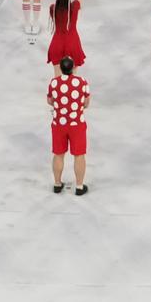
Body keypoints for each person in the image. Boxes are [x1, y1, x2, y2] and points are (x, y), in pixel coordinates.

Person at [48, 53, 91, 196]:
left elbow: (50, 101)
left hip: (59, 124)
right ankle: (79, 186)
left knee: (58, 154)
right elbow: (86, 103)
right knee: (79, 155)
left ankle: (57, 184)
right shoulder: (82, 82)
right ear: (73, 68)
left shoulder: (54, 83)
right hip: (77, 124)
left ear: (60, 69)